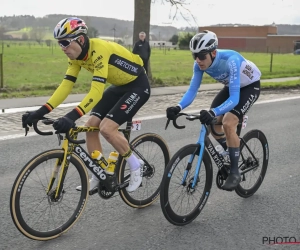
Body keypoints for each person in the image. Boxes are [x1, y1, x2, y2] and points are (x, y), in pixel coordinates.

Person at [22, 17, 151, 193]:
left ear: (80, 39)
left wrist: (71, 116)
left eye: (66, 43)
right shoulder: (75, 57)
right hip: (119, 86)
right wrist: (40, 112)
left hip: (138, 85)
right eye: (59, 44)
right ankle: (99, 173)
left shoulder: (99, 50)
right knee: (90, 125)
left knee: (107, 128)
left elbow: (96, 92)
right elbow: (66, 86)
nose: (63, 48)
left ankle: (137, 166)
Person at [166, 30, 261, 190]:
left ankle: (235, 172)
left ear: (213, 52)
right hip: (231, 87)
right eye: (194, 55)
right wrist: (178, 107)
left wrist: (214, 112)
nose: (198, 60)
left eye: (202, 56)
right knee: (212, 123)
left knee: (228, 123)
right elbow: (192, 90)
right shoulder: (199, 65)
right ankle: (231, 148)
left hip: (249, 87)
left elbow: (234, 99)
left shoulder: (231, 60)